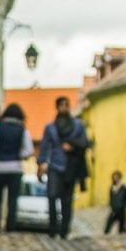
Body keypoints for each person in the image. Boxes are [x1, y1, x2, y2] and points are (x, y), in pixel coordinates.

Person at [38, 96, 90, 238]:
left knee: (67, 200)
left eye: (67, 105)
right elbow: (44, 146)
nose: (64, 108)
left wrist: (72, 145)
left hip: (71, 166)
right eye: (62, 105)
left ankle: (64, 229)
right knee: (52, 196)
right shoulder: (50, 128)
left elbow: (85, 142)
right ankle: (52, 228)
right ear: (57, 107)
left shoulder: (78, 125)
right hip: (55, 166)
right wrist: (42, 162)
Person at [0, 103, 33, 232]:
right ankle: (11, 226)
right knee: (12, 199)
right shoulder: (22, 130)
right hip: (15, 168)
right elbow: (29, 150)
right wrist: (18, 155)